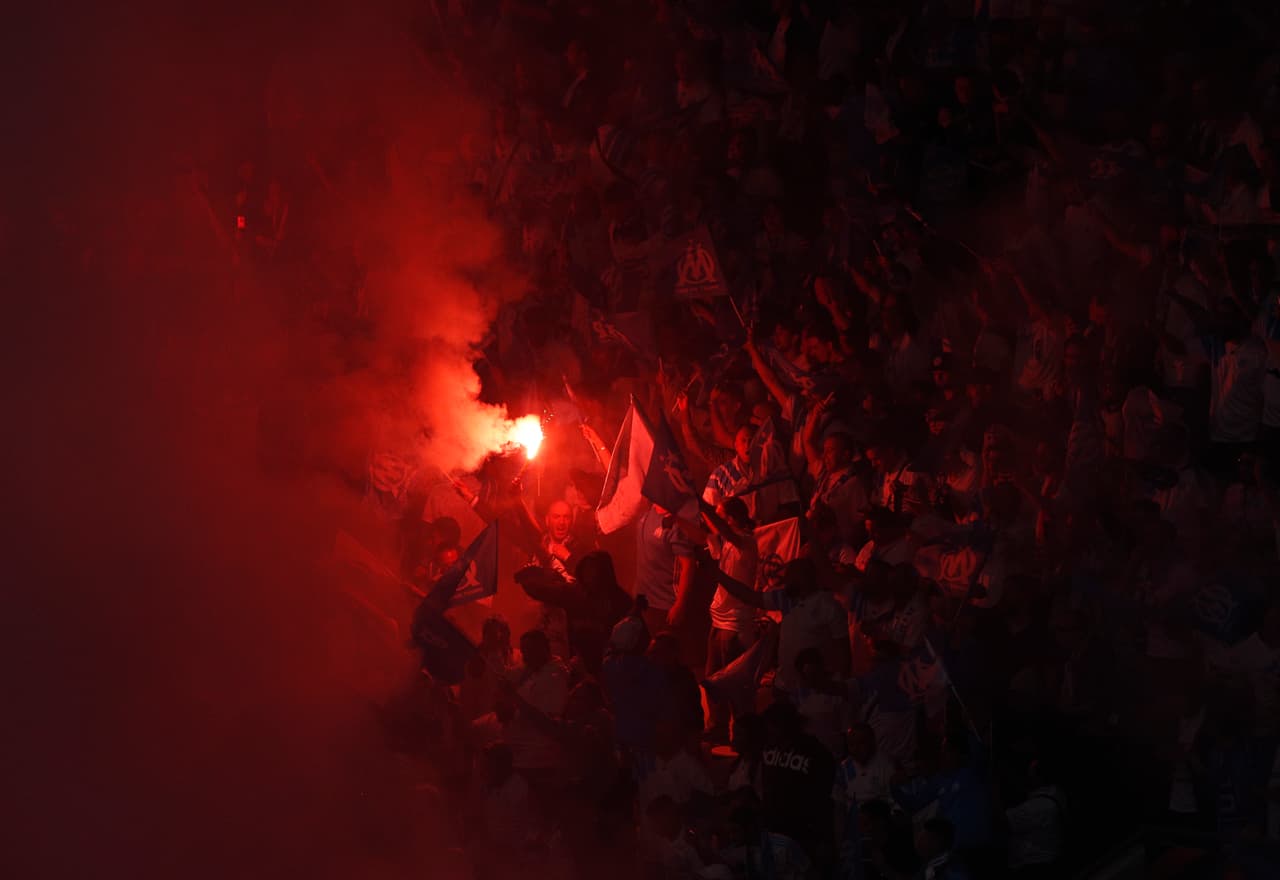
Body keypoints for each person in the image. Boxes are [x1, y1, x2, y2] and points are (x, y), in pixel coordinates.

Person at [707, 556, 850, 697]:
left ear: (806, 578)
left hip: (815, 692)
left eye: (790, 576)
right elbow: (750, 597)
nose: (785, 580)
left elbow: (844, 651)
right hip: (784, 688)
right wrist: (718, 575)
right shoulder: (787, 598)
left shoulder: (828, 606)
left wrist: (838, 689)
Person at [702, 496, 761, 742]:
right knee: (712, 678)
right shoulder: (726, 543)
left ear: (733, 518)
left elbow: (725, 530)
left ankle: (743, 735)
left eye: (721, 515)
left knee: (733, 681)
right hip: (718, 620)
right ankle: (717, 728)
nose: (718, 521)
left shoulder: (746, 542)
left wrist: (702, 503)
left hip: (735, 623)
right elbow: (708, 532)